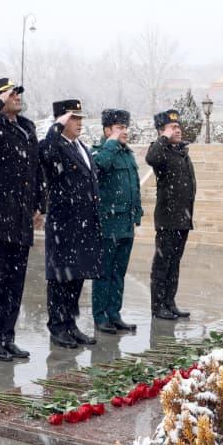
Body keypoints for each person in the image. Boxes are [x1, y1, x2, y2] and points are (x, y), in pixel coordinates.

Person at [0, 77, 45, 362]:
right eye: (10, 94)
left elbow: (36, 169)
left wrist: (40, 204)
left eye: (17, 92)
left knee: (15, 283)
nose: (16, 96)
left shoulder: (26, 127)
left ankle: (7, 337)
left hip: (22, 217)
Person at [39, 99, 104, 349]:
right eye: (73, 118)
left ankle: (70, 324)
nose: (79, 122)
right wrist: (56, 127)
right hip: (64, 225)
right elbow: (46, 153)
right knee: (60, 279)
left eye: (80, 118)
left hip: (84, 224)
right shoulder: (54, 144)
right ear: (61, 120)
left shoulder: (80, 147)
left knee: (76, 277)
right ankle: (58, 327)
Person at [91, 109, 142, 334]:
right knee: (104, 272)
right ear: (107, 130)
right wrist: (111, 144)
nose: (125, 131)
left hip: (126, 223)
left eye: (125, 127)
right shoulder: (99, 151)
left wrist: (136, 214)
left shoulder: (127, 154)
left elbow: (134, 186)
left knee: (119, 273)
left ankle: (114, 313)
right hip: (108, 223)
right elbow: (99, 167)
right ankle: (100, 316)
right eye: (120, 127)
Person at [146, 109, 196, 321]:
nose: (177, 130)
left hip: (182, 219)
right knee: (162, 264)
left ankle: (169, 302)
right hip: (167, 220)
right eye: (172, 127)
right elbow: (151, 158)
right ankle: (158, 306)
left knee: (174, 264)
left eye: (178, 126)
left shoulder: (181, 151)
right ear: (161, 131)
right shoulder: (160, 151)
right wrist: (163, 138)